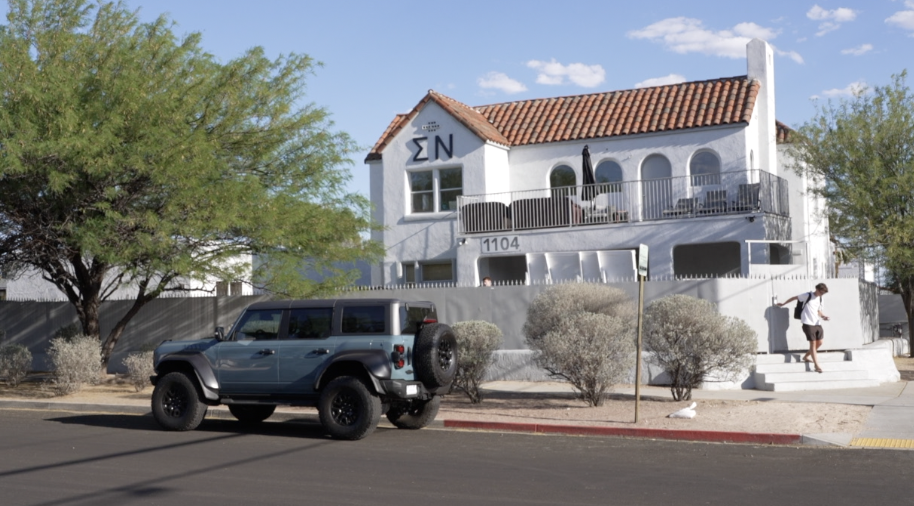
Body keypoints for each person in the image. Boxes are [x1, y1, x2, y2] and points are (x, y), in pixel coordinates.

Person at [777, 283, 830, 373]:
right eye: (821, 292)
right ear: (816, 289)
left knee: (820, 342)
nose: (821, 294)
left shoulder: (821, 298)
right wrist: (783, 304)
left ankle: (806, 356)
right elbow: (794, 297)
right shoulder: (807, 295)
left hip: (817, 323)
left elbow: (819, 311)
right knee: (813, 343)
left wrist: (823, 316)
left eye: (823, 293)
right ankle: (817, 365)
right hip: (807, 323)